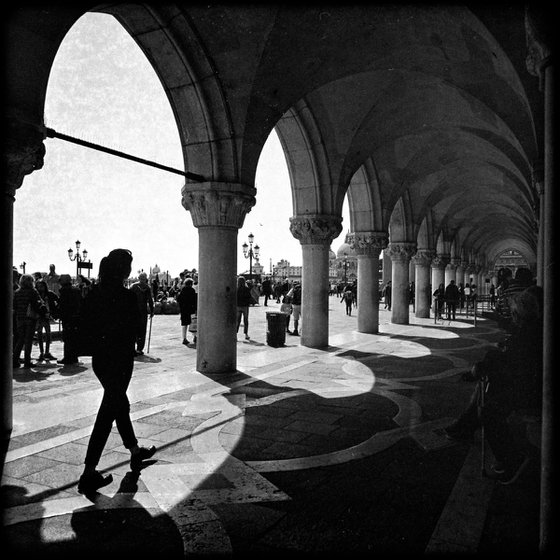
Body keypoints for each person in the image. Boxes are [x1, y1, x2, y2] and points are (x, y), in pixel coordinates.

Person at [444, 286, 543, 485]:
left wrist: (484, 365)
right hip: (530, 384)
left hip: (530, 391)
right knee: (484, 388)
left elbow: (513, 361)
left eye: (514, 313)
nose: (513, 317)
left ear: (520, 314)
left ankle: (510, 460)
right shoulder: (534, 328)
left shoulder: (528, 333)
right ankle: (464, 427)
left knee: (490, 412)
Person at [77, 248, 156, 495]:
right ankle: (89, 471)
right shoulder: (125, 296)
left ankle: (134, 451)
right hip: (120, 359)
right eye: (129, 265)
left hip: (101, 360)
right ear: (123, 269)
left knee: (119, 404)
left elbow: (87, 325)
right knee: (109, 410)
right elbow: (134, 326)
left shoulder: (94, 293)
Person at [13, 274, 46, 369]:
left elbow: (14, 306)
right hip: (30, 318)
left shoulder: (17, 292)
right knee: (28, 340)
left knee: (20, 340)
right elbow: (38, 304)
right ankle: (27, 361)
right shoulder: (33, 292)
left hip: (20, 318)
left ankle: (15, 360)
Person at [56, 274, 83, 365]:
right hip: (76, 317)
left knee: (67, 338)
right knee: (74, 337)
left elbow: (62, 305)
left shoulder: (64, 291)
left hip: (67, 317)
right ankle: (74, 357)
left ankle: (67, 357)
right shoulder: (77, 290)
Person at [130, 272, 155, 356]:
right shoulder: (147, 287)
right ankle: (139, 349)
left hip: (133, 311)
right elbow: (150, 300)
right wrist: (152, 311)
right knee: (142, 330)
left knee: (133, 330)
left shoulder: (133, 286)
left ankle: (132, 348)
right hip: (142, 311)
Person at [35, 279, 59, 361]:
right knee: (40, 334)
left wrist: (54, 311)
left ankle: (47, 352)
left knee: (48, 334)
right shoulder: (36, 294)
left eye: (41, 286)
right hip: (39, 316)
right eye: (38, 286)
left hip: (47, 316)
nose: (40, 288)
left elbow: (57, 299)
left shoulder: (49, 294)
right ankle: (42, 352)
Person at [177, 277, 197, 345]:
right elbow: (194, 301)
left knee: (184, 324)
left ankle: (184, 338)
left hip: (184, 310)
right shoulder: (192, 290)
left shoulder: (182, 291)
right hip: (191, 309)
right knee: (193, 323)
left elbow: (179, 299)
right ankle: (195, 337)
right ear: (191, 284)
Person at [236, 276, 253, 340]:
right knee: (245, 320)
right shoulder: (246, 289)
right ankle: (246, 334)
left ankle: (236, 334)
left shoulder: (236, 289)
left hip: (238, 306)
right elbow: (249, 297)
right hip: (245, 306)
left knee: (237, 321)